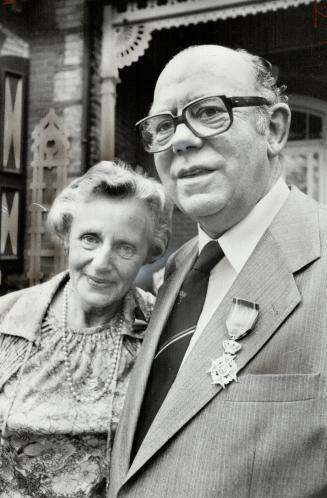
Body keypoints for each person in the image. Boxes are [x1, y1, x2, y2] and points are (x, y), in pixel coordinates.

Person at [109, 45, 327, 498]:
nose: (181, 140)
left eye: (209, 111)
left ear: (275, 128)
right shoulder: (176, 271)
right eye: (164, 125)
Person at [0, 160, 172, 498]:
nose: (102, 262)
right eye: (90, 239)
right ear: (66, 236)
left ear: (148, 255)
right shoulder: (8, 320)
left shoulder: (162, 330)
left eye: (125, 247)